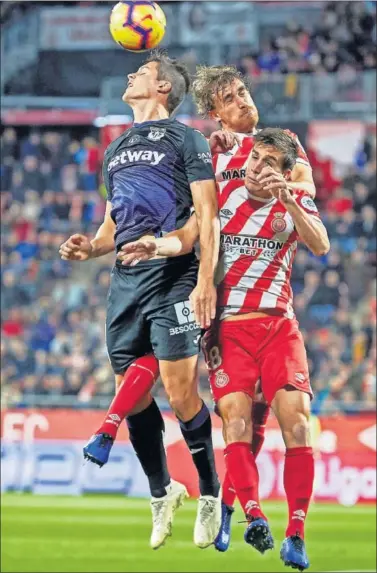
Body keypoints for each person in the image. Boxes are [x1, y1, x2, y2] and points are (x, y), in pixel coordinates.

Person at [96, 63, 318, 552]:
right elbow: (199, 221)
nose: (244, 100)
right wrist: (171, 254)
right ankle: (226, 504)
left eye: (244, 91)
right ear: (214, 112)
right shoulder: (207, 156)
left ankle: (235, 508)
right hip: (220, 309)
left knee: (267, 420)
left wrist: (278, 184)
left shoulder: (280, 145)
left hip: (274, 309)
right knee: (240, 421)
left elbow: (305, 187)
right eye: (231, 98)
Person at [59, 49, 222, 550]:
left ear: (163, 88)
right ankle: (162, 491)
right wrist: (91, 246)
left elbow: (207, 214)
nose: (132, 75)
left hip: (174, 271)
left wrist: (205, 280)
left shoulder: (186, 138)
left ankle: (210, 492)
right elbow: (112, 225)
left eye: (143, 73)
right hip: (126, 277)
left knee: (178, 390)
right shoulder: (116, 148)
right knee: (131, 395)